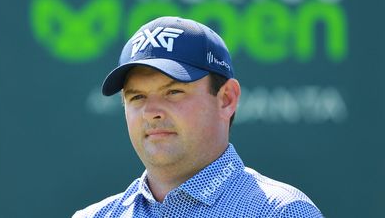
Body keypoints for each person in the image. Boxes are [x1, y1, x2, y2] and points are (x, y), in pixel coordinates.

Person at [73, 16, 323, 217]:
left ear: (226, 99)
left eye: (173, 92)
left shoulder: (282, 212)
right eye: (137, 97)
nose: (151, 112)